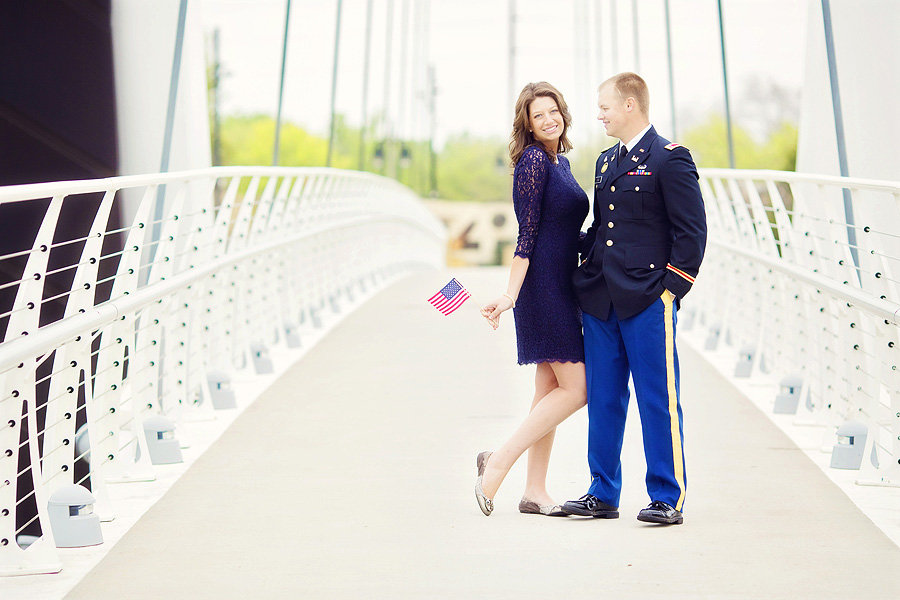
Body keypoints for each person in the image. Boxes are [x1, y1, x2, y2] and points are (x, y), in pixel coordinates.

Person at [563, 72, 707, 525]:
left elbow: (692, 232)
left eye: (604, 106)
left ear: (630, 105)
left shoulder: (670, 159)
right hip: (602, 299)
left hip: (648, 299)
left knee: (657, 398)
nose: (599, 114)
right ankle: (602, 491)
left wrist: (671, 291)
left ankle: (667, 496)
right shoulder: (606, 161)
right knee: (604, 397)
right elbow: (602, 233)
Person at [475, 82, 589, 517]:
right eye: (537, 115)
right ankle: (497, 462)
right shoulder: (534, 161)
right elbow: (528, 233)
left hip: (563, 285)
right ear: (527, 123)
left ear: (563, 112)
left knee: (549, 390)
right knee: (577, 388)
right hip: (542, 288)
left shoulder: (560, 162)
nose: (548, 119)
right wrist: (509, 294)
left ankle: (535, 491)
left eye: (553, 110)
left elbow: (563, 231)